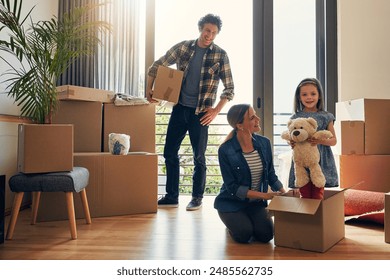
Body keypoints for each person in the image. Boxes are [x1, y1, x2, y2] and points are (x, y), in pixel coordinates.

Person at [146, 14, 234, 211]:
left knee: (199, 157)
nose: (209, 35)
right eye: (207, 31)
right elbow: (155, 66)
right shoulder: (183, 48)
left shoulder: (220, 55)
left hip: (201, 114)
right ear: (200, 29)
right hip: (179, 109)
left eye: (213, 33)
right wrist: (149, 91)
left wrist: (215, 111)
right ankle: (171, 196)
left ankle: (197, 197)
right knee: (169, 152)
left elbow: (229, 89)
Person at [214, 104, 286, 243]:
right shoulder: (225, 150)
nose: (258, 119)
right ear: (239, 125)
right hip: (231, 202)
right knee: (244, 234)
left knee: (266, 235)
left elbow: (271, 174)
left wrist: (284, 194)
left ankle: (246, 219)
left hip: (255, 203)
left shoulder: (264, 143)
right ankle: (233, 223)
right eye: (252, 117)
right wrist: (265, 195)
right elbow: (232, 187)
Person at [286, 77, 339, 199]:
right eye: (304, 94)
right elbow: (292, 137)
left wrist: (320, 141)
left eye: (313, 94)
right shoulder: (296, 117)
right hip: (302, 159)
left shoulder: (326, 116)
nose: (309, 97)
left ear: (319, 95)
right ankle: (306, 217)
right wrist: (291, 143)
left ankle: (317, 217)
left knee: (317, 193)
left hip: (321, 160)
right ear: (299, 97)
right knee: (304, 193)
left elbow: (333, 140)